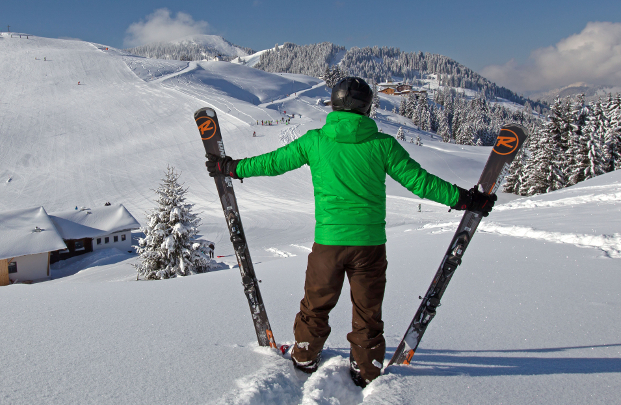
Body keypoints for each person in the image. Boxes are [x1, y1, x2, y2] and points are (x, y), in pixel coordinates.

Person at [205, 77, 496, 388]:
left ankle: (304, 355)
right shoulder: (383, 145)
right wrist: (467, 199)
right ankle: (366, 367)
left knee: (315, 305)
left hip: (328, 244)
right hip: (369, 246)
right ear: (367, 107)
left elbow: (273, 162)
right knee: (368, 311)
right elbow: (421, 182)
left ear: (334, 104)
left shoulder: (315, 141)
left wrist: (231, 168)